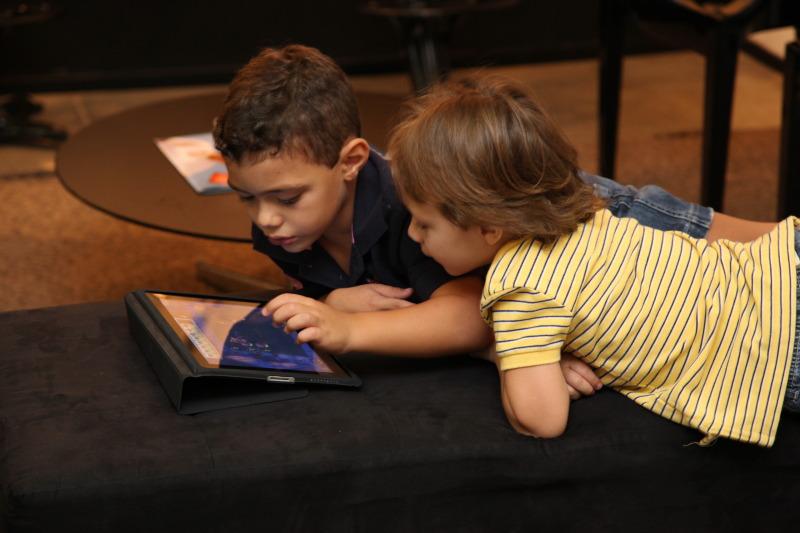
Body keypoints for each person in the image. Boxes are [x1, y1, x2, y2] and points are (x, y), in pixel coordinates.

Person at [213, 44, 775, 400]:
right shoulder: (289, 226)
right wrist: (333, 301)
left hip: (577, 210)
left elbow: (468, 313)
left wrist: (349, 325)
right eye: (247, 199)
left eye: (287, 197)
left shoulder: (410, 210)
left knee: (755, 246)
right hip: (525, 261)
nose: (267, 220)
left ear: (352, 161)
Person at [386, 75, 800, 447]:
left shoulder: (519, 287)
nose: (412, 235)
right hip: (779, 272)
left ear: (488, 228)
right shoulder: (584, 211)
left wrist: (504, 352)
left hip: (778, 345)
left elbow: (541, 420)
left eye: (424, 224)